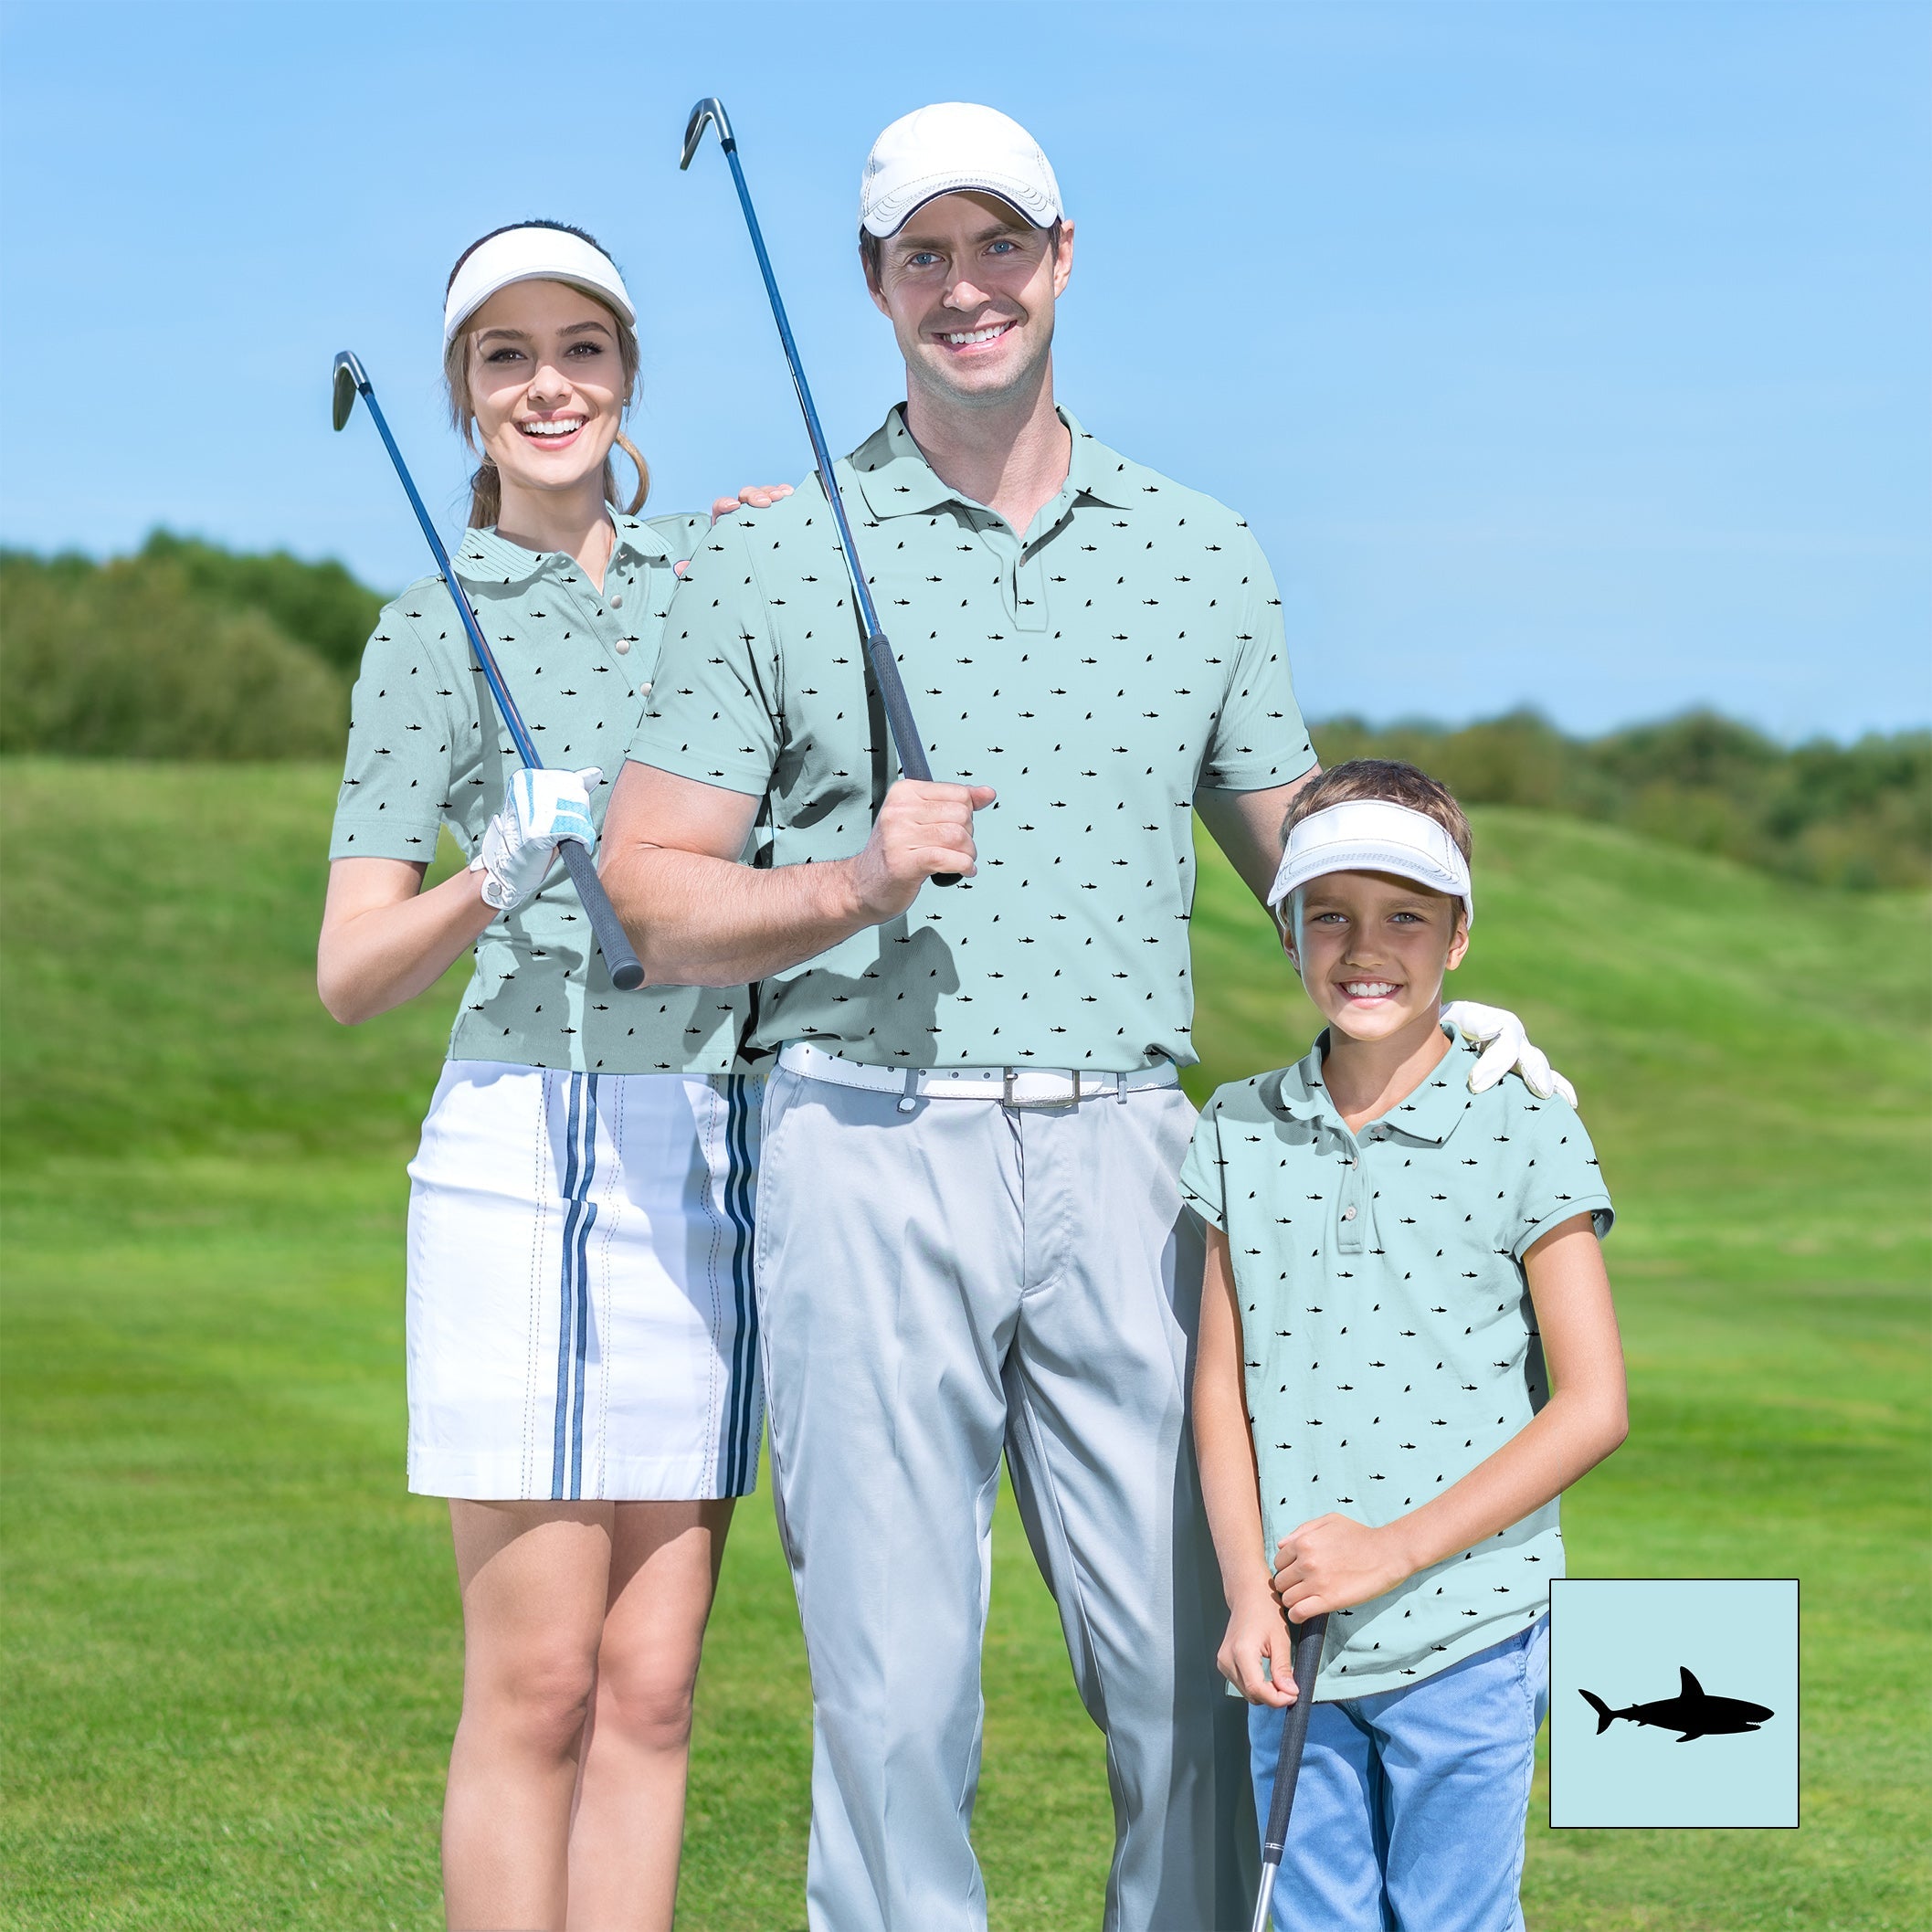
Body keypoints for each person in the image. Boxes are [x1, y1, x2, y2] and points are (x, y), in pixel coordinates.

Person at [599, 106, 1563, 1931]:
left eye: (999, 245)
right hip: (859, 1135)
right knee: (896, 1702)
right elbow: (648, 891)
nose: (966, 287)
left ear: (1061, 258)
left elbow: (1300, 857)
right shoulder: (773, 554)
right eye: (924, 254)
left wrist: (1444, 993)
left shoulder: (1203, 554)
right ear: (875, 284)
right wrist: (847, 884)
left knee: (1201, 1672)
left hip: (1131, 1156)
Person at [317, 220, 788, 1932]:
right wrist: (490, 874)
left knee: (653, 1685)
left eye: (579, 348)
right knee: (539, 1683)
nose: (547, 385)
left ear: (627, 374)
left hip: (704, 1145)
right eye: (504, 355)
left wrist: (780, 543)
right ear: (463, 393)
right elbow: (351, 972)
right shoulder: (422, 632)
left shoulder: (723, 585)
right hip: (522, 1150)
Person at [1183, 759, 1629, 1932]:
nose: (1364, 947)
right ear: (1286, 929)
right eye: (1330, 914)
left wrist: (1391, 1553)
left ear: (1459, 937)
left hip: (1472, 1625)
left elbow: (1594, 1405)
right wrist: (1245, 1594)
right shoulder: (1236, 1126)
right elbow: (1218, 1391)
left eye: (1406, 918)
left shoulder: (1527, 1126)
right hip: (1294, 1634)